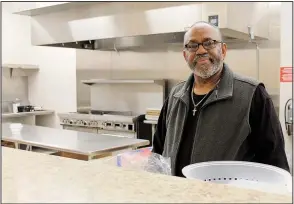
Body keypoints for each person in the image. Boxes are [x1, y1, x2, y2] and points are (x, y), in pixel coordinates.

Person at [152, 21, 290, 177]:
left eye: (209, 43)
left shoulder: (252, 94)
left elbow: (274, 162)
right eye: (192, 45)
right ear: (185, 55)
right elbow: (158, 152)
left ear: (223, 50)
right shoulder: (175, 96)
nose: (201, 50)